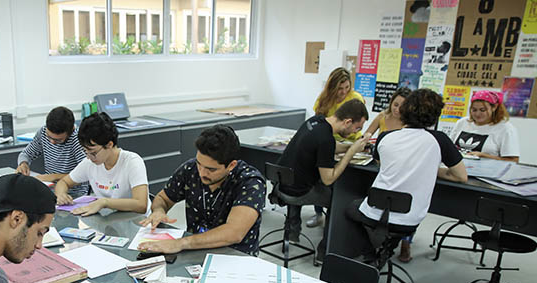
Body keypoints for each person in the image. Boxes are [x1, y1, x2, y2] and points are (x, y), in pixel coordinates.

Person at [346, 88, 468, 264]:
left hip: (375, 209)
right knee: (397, 222)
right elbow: (461, 176)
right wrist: (429, 169)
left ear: (405, 110)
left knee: (351, 209)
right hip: (409, 217)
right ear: (435, 116)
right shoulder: (440, 140)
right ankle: (385, 252)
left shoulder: (385, 137)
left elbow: (385, 164)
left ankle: (370, 252)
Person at [138, 125, 266, 256]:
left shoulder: (250, 182)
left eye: (211, 169)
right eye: (199, 164)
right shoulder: (190, 169)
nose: (202, 173)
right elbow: (163, 199)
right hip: (194, 250)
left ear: (231, 165)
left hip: (234, 255)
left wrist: (180, 243)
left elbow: (234, 233)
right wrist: (159, 211)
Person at [274, 99, 371, 263]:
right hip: (299, 192)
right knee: (340, 201)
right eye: (357, 128)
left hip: (282, 184)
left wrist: (351, 146)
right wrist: (350, 153)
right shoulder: (326, 138)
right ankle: (325, 251)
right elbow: (328, 179)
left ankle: (292, 234)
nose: (357, 131)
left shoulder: (315, 121)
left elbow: (329, 146)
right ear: (348, 122)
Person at [55, 112, 149, 216]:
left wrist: (104, 202)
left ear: (109, 144)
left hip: (137, 221)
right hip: (110, 219)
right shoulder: (89, 163)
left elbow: (141, 205)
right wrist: (61, 194)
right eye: (85, 151)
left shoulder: (132, 162)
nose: (88, 157)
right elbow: (64, 182)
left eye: (93, 153)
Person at [308, 67, 367, 228]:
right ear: (332, 87)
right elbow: (319, 123)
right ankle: (319, 213)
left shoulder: (355, 98)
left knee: (344, 177)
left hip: (350, 140)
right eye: (340, 88)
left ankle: (335, 218)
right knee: (322, 175)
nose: (344, 92)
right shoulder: (324, 100)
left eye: (347, 87)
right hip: (329, 142)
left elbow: (359, 122)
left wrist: (355, 144)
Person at [365, 87, 415, 262]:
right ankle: (376, 237)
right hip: (379, 163)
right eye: (395, 104)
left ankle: (406, 243)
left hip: (399, 168)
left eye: (402, 106)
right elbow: (368, 133)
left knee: (403, 205)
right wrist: (367, 138)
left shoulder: (410, 125)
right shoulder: (382, 117)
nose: (397, 109)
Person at [16, 106, 89, 196]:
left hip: (72, 195)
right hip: (49, 191)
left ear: (71, 130)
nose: (52, 142)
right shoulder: (43, 132)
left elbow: (85, 173)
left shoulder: (77, 140)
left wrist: (54, 177)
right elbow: (26, 154)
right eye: (49, 137)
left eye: (58, 140)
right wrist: (23, 164)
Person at [449, 90, 520, 162]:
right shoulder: (463, 122)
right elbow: (448, 147)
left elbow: (513, 160)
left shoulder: (505, 129)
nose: (477, 114)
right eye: (474, 110)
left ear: (494, 107)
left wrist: (485, 156)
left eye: (482, 110)